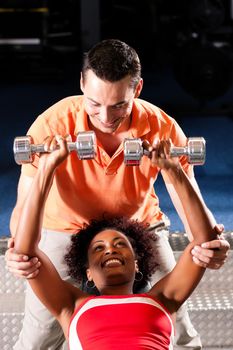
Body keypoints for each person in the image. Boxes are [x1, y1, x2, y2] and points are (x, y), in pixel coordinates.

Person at [6, 39, 229, 350]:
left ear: (136, 90)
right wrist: (19, 249)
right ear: (82, 83)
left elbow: (188, 204)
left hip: (138, 225)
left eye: (119, 105)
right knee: (39, 336)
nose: (106, 117)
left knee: (179, 329)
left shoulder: (161, 127)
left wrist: (206, 246)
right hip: (66, 226)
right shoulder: (51, 126)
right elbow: (23, 205)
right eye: (95, 104)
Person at [13, 136, 220, 350]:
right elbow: (26, 253)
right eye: (98, 248)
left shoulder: (164, 298)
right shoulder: (71, 305)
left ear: (137, 264)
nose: (110, 249)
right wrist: (46, 169)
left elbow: (205, 243)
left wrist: (174, 171)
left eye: (120, 244)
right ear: (88, 273)